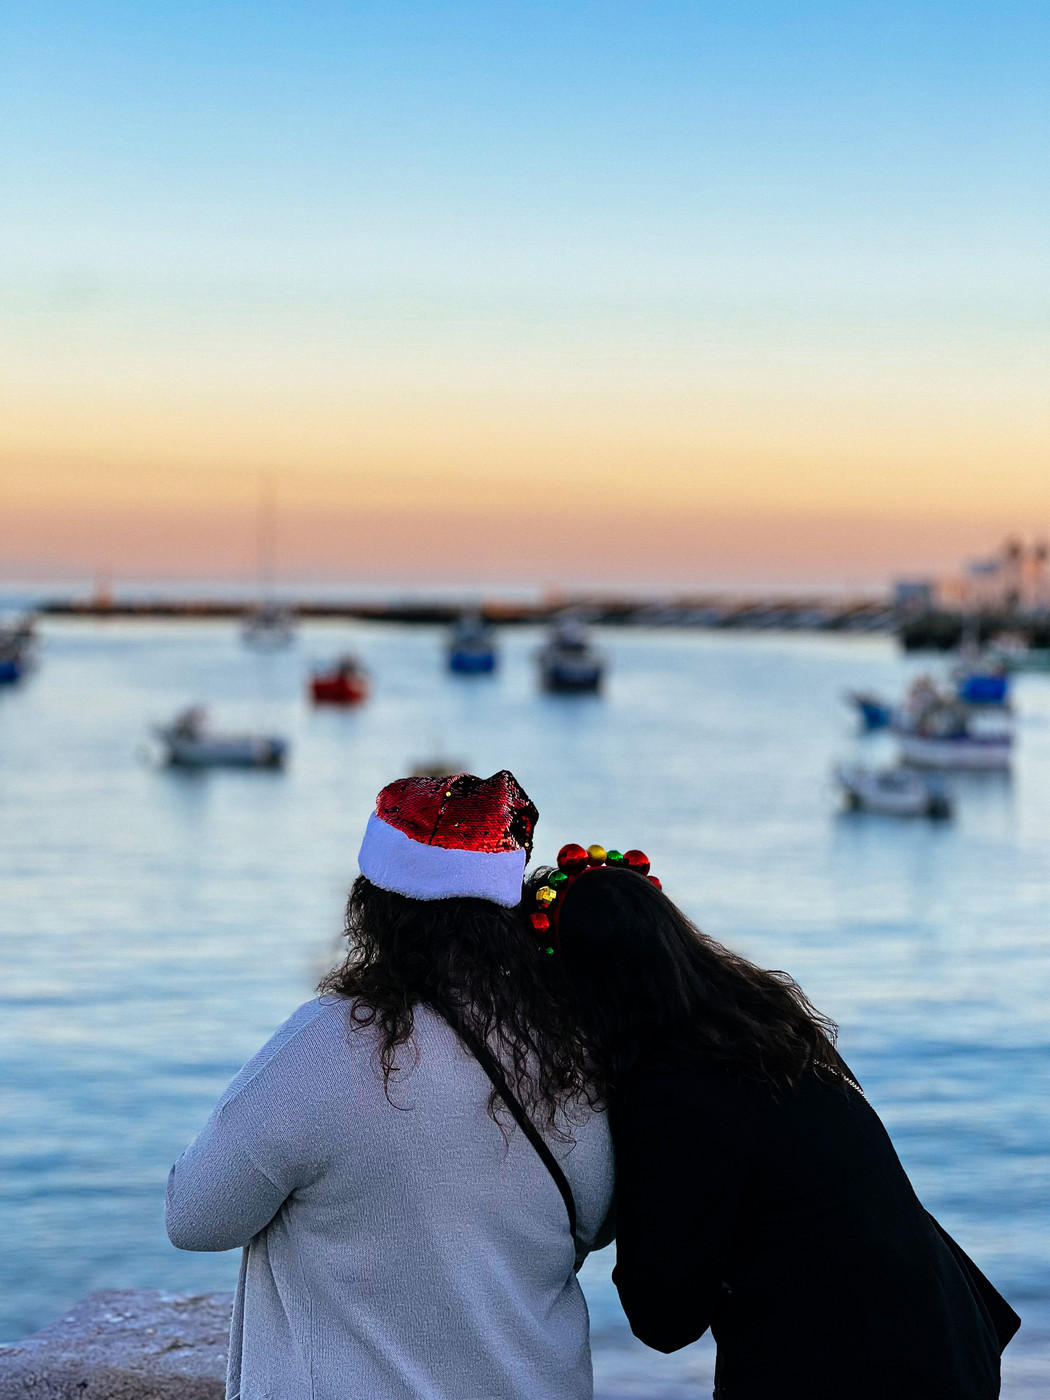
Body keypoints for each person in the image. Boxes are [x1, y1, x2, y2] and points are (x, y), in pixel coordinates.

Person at [166, 773, 613, 1400]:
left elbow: (196, 1217)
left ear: (372, 907)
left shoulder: (324, 1046)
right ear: (508, 914)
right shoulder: (571, 1051)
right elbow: (595, 1224)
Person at [536, 852, 1019, 1400]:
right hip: (948, 1330)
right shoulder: (765, 1026)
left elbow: (663, 1318)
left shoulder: (673, 1088)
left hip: (855, 1368)